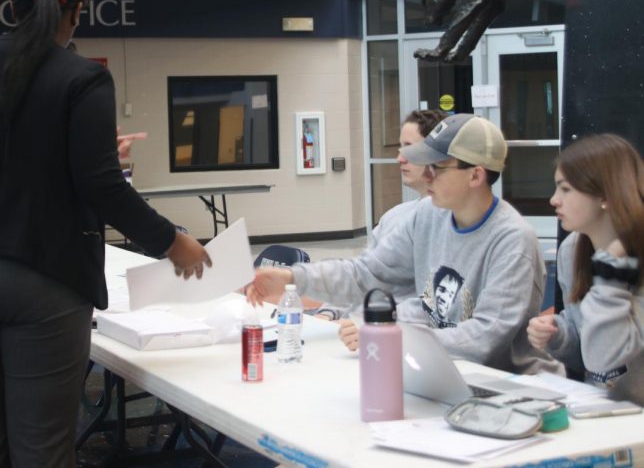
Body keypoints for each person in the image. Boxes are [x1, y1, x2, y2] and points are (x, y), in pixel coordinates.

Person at [0, 0, 211, 468]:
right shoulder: (81, 77)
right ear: (78, 11)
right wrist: (171, 241)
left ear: (10, 7)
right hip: (41, 282)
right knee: (41, 450)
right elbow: (102, 187)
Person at [248, 113, 557, 374]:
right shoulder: (428, 215)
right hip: (440, 370)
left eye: (437, 167)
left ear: (475, 176)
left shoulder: (512, 241)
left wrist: (393, 337)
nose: (427, 176)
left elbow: (485, 339)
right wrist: (293, 279)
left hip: (506, 383)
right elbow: (367, 274)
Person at [527, 134, 643, 404]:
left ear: (604, 193)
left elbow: (606, 358)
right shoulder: (573, 249)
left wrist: (611, 271)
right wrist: (559, 334)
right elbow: (588, 353)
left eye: (565, 189)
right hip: (602, 407)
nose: (554, 200)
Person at [312, 109, 447, 321]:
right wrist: (329, 312)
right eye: (401, 148)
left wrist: (373, 323)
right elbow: (362, 275)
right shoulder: (394, 216)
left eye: (410, 148)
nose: (399, 158)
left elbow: (432, 306)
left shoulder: (447, 223)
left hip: (387, 331)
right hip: (353, 325)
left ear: (436, 154)